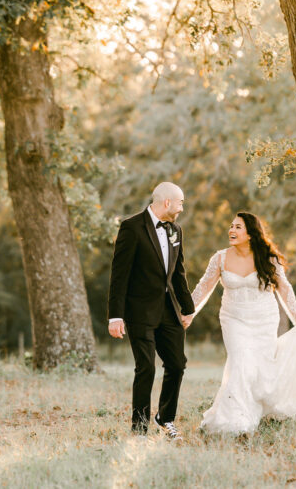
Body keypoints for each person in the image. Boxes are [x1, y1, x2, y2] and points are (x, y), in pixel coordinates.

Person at [190, 211, 296, 435]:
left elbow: (284, 287)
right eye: (231, 226)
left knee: (259, 368)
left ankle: (256, 411)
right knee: (240, 361)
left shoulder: (268, 258)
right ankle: (234, 420)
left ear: (251, 234)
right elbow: (204, 287)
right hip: (233, 319)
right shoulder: (220, 258)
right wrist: (189, 313)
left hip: (264, 319)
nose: (231, 231)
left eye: (238, 227)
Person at [107, 182, 195, 439]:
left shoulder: (176, 230)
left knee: (177, 364)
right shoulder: (132, 227)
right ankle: (139, 429)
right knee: (146, 367)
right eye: (180, 203)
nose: (181, 208)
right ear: (167, 202)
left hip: (169, 311)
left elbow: (178, 274)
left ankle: (165, 418)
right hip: (139, 312)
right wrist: (116, 315)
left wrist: (187, 309)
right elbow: (119, 275)